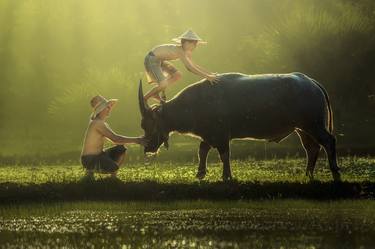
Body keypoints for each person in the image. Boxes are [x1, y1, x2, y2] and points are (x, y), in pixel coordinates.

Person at [143, 29, 220, 102]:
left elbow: (193, 65)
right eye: (194, 44)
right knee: (163, 83)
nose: (195, 47)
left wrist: (209, 74)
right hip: (151, 59)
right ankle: (145, 98)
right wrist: (207, 77)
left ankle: (156, 92)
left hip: (161, 61)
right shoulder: (180, 51)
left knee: (177, 75)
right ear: (186, 43)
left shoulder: (186, 52)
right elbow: (190, 68)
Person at [81, 95, 147, 178]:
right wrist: (137, 140)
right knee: (113, 167)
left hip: (99, 155)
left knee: (121, 149)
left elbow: (116, 140)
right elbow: (115, 139)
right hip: (89, 159)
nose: (109, 109)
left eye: (109, 107)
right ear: (101, 110)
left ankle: (111, 177)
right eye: (107, 107)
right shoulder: (97, 123)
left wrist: (137, 140)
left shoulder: (102, 124)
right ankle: (90, 170)